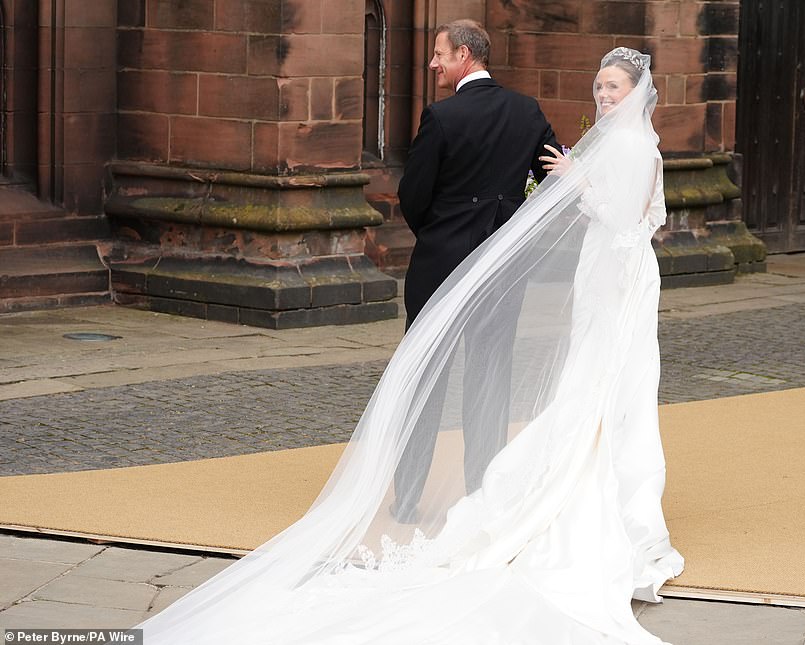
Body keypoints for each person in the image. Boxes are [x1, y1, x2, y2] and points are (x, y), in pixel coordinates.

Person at [136, 46, 682, 645]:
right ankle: (486, 481)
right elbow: (543, 183)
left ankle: (415, 494)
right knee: (511, 380)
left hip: (518, 269)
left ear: (638, 90)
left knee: (439, 378)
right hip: (587, 277)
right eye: (598, 86)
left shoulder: (452, 119)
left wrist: (455, 230)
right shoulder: (531, 112)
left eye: (612, 87)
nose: (603, 96)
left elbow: (421, 196)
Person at [393, 19, 561, 522]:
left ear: (465, 55)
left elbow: (412, 197)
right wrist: (514, 223)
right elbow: (556, 172)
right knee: (491, 378)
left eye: (439, 54)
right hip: (503, 267)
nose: (432, 63)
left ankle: (406, 500)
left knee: (425, 381)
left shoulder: (441, 118)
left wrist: (439, 234)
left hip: (440, 266)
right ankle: (483, 495)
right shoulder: (527, 111)